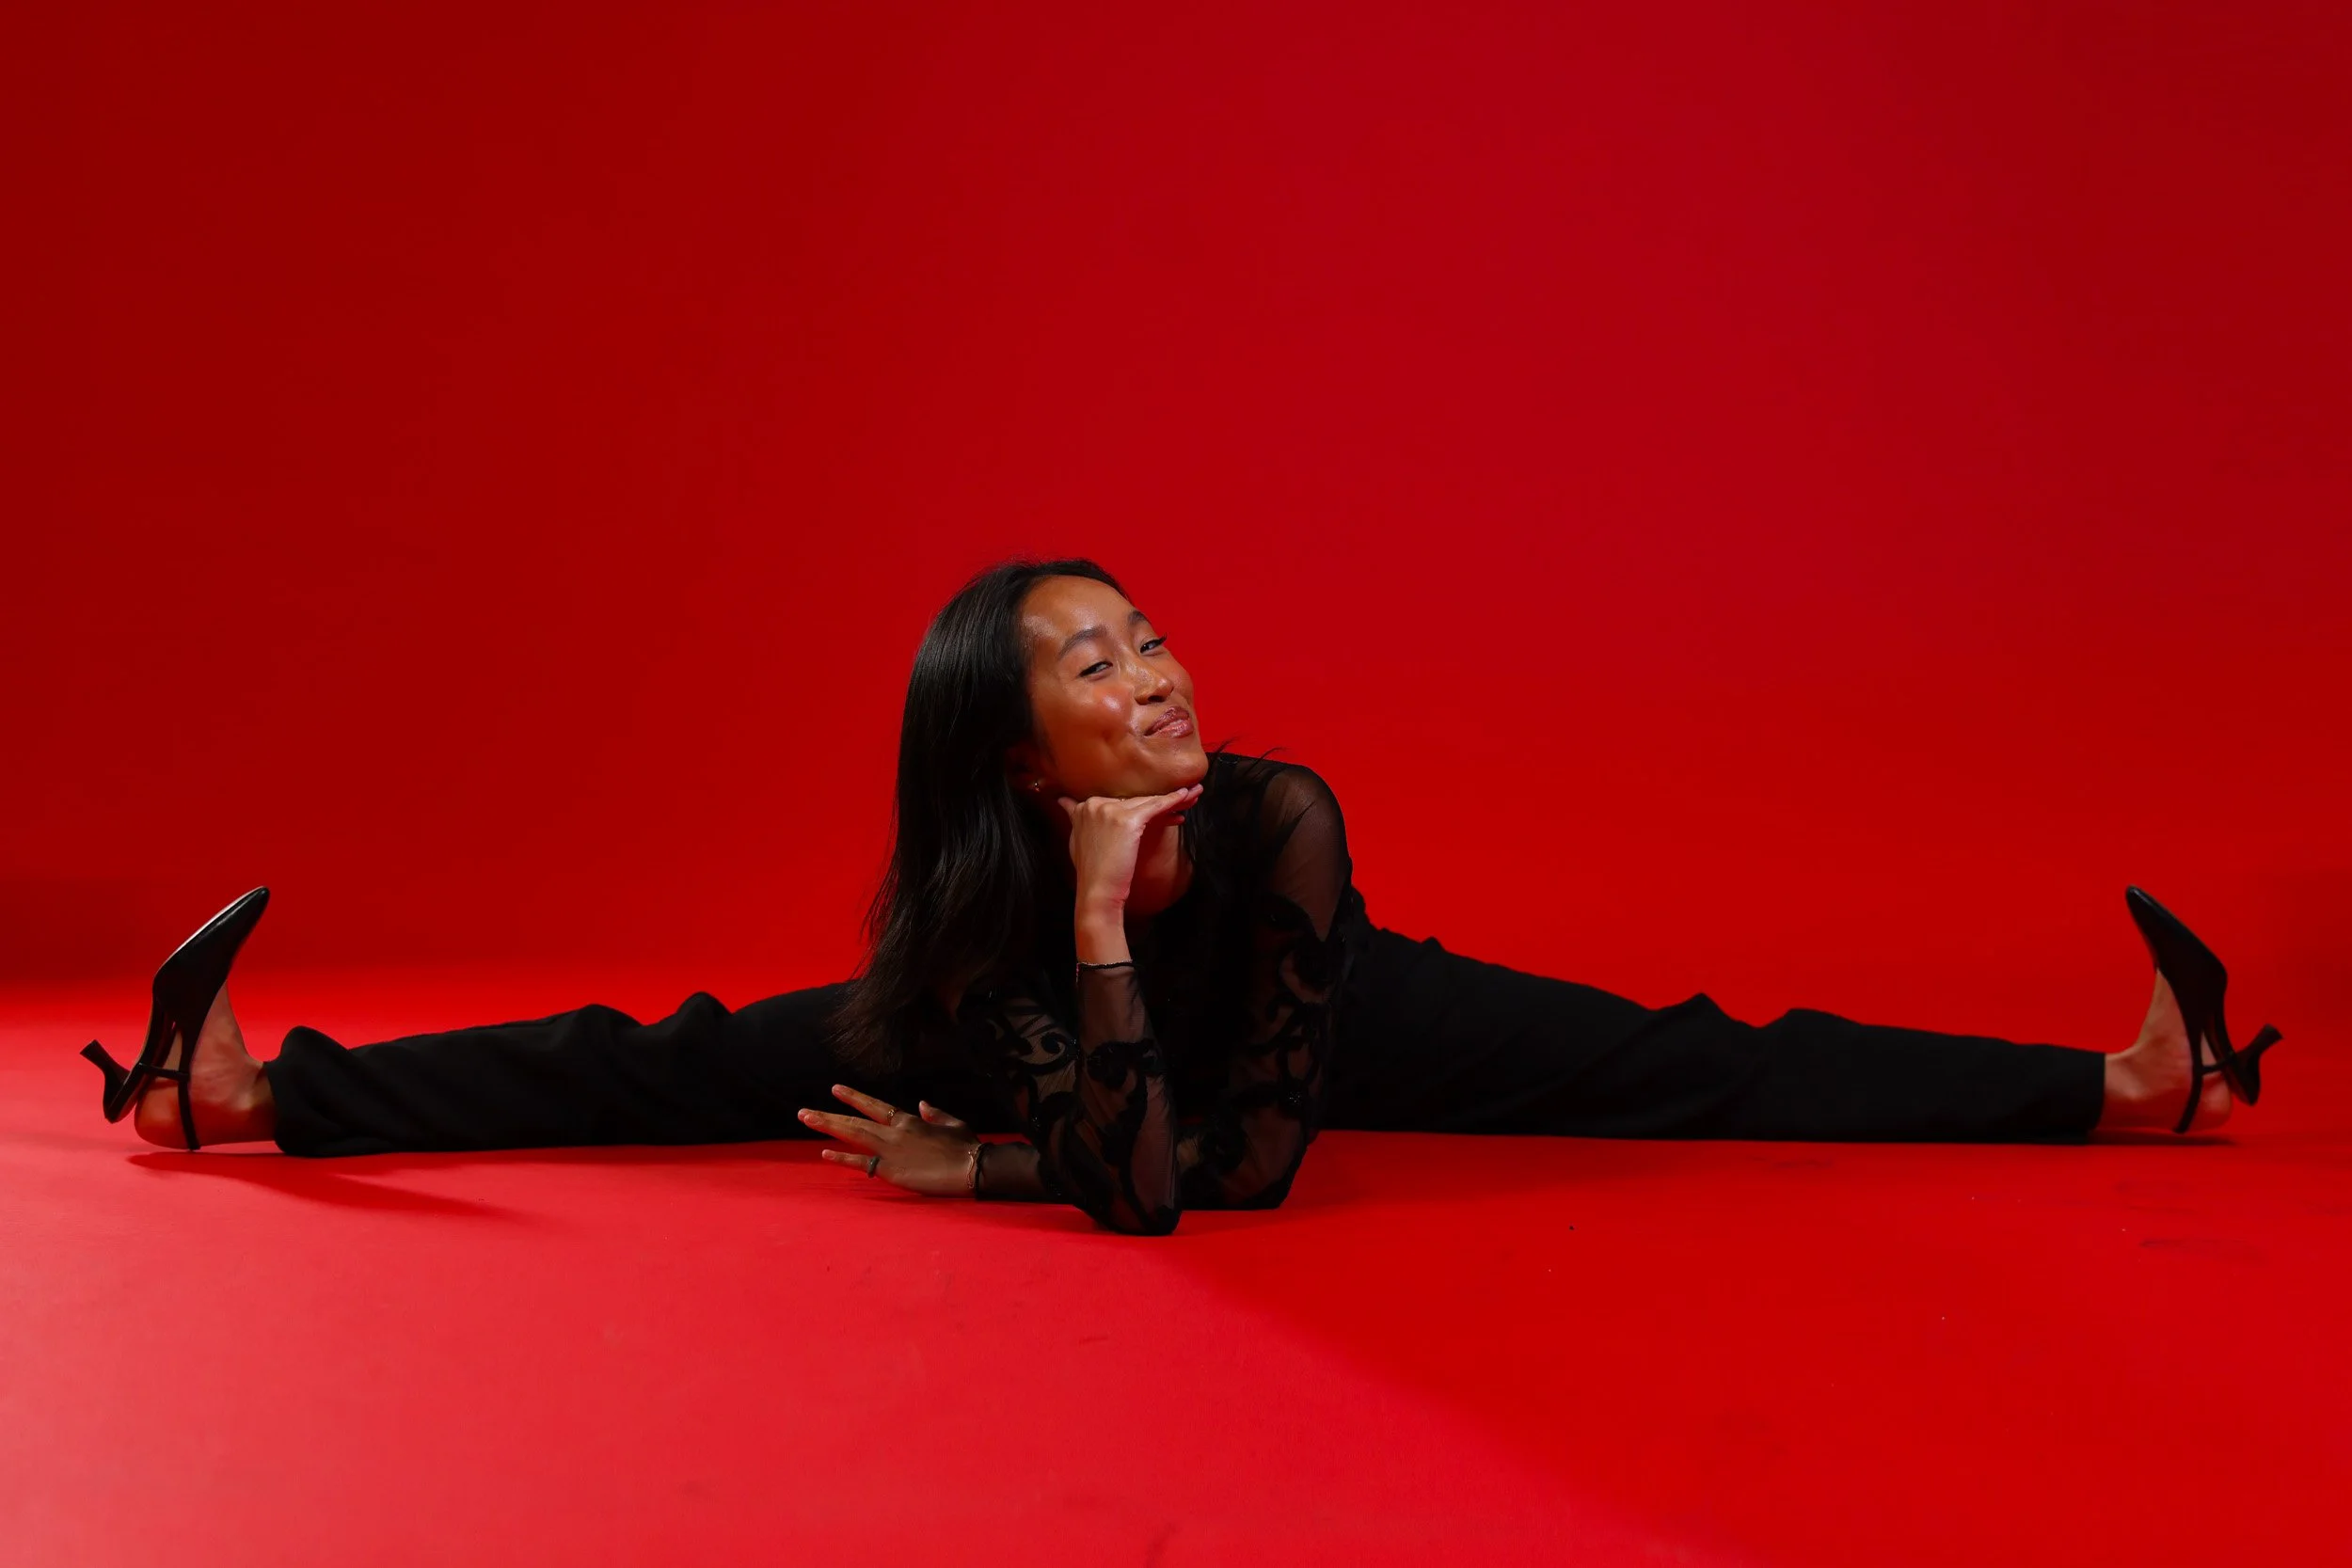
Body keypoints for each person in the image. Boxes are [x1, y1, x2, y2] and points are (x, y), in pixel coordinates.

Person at [81, 559, 2285, 1235]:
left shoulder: (1286, 814)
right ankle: (250, 1100)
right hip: (1070, 1009)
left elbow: (1226, 1164)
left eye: (1148, 638)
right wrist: (1045, 1011)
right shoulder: (969, 933)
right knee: (670, 1056)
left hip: (1320, 1023)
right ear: (1011, 754)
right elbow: (1142, 1176)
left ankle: (2120, 1086)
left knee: (1695, 1058)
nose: (1159, 675)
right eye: (1096, 666)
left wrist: (985, 1161)